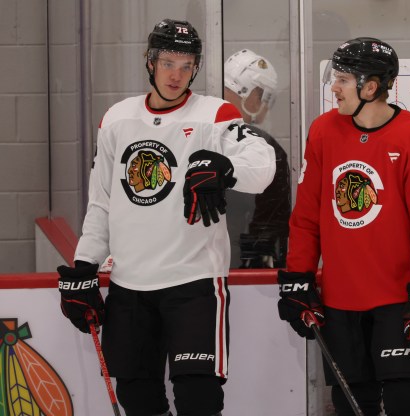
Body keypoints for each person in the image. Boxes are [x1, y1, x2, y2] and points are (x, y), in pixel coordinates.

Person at [56, 19, 275, 416]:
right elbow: (101, 202)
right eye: (169, 63)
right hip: (129, 286)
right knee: (137, 399)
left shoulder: (215, 114)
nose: (177, 75)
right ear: (150, 62)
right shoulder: (117, 119)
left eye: (187, 65)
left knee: (199, 399)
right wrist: (85, 264)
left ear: (196, 67)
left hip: (193, 285)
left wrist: (225, 168)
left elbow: (262, 167)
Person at [276, 37, 410, 416]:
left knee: (406, 403)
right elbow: (307, 216)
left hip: (400, 302)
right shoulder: (324, 131)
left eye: (342, 79)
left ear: (371, 86)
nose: (334, 87)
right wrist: (299, 276)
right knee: (350, 407)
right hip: (340, 303)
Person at [223, 49, 291, 268]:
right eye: (263, 96)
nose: (264, 105)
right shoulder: (267, 147)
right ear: (250, 93)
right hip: (244, 266)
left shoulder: (194, 131)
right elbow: (271, 223)